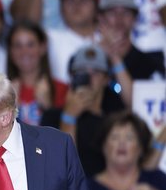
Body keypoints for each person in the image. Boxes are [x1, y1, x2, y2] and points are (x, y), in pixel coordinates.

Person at [41, 45, 125, 177]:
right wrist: (69, 117)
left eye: (96, 72)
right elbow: (59, 166)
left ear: (106, 79)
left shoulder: (113, 121)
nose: (89, 78)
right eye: (81, 71)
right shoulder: (52, 116)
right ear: (71, 76)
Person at [6, 21, 67, 127]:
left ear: (43, 48)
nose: (24, 52)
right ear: (10, 51)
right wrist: (10, 108)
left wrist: (49, 110)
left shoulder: (61, 89)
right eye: (17, 46)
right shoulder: (0, 93)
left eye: (30, 45)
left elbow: (66, 138)